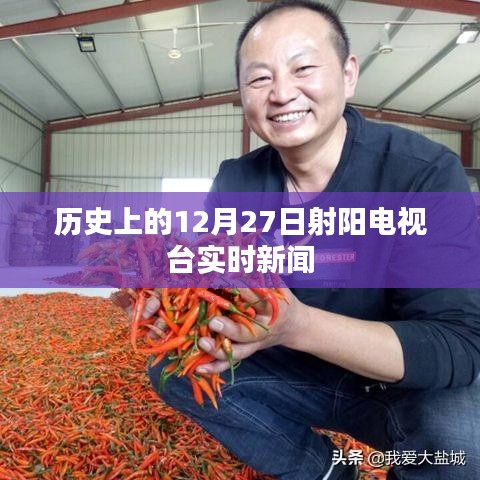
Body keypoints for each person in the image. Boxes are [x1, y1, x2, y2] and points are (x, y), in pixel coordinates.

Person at [145, 1, 480, 479]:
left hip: (403, 387)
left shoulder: (420, 173)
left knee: (466, 442)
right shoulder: (237, 182)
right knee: (175, 367)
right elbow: (221, 292)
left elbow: (459, 345)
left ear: (348, 74)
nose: (282, 93)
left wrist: (296, 326)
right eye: (259, 79)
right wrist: (176, 305)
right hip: (301, 373)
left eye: (303, 69)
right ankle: (325, 471)